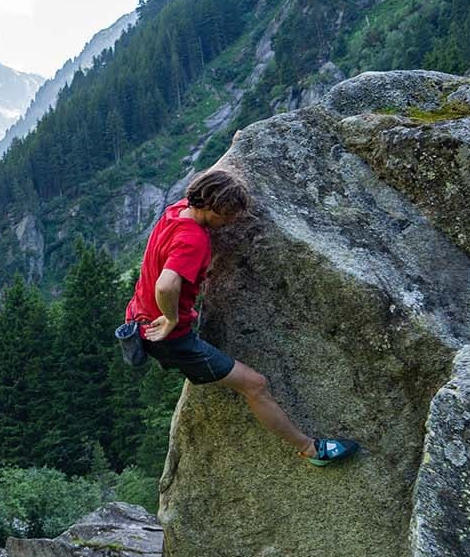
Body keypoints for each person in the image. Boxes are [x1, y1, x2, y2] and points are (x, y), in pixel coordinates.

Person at [124, 167, 360, 466]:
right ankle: (312, 450)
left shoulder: (178, 209)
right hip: (170, 338)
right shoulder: (193, 239)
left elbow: (212, 181)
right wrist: (170, 319)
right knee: (255, 384)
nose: (231, 220)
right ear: (211, 207)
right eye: (227, 214)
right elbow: (166, 285)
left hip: (139, 316)